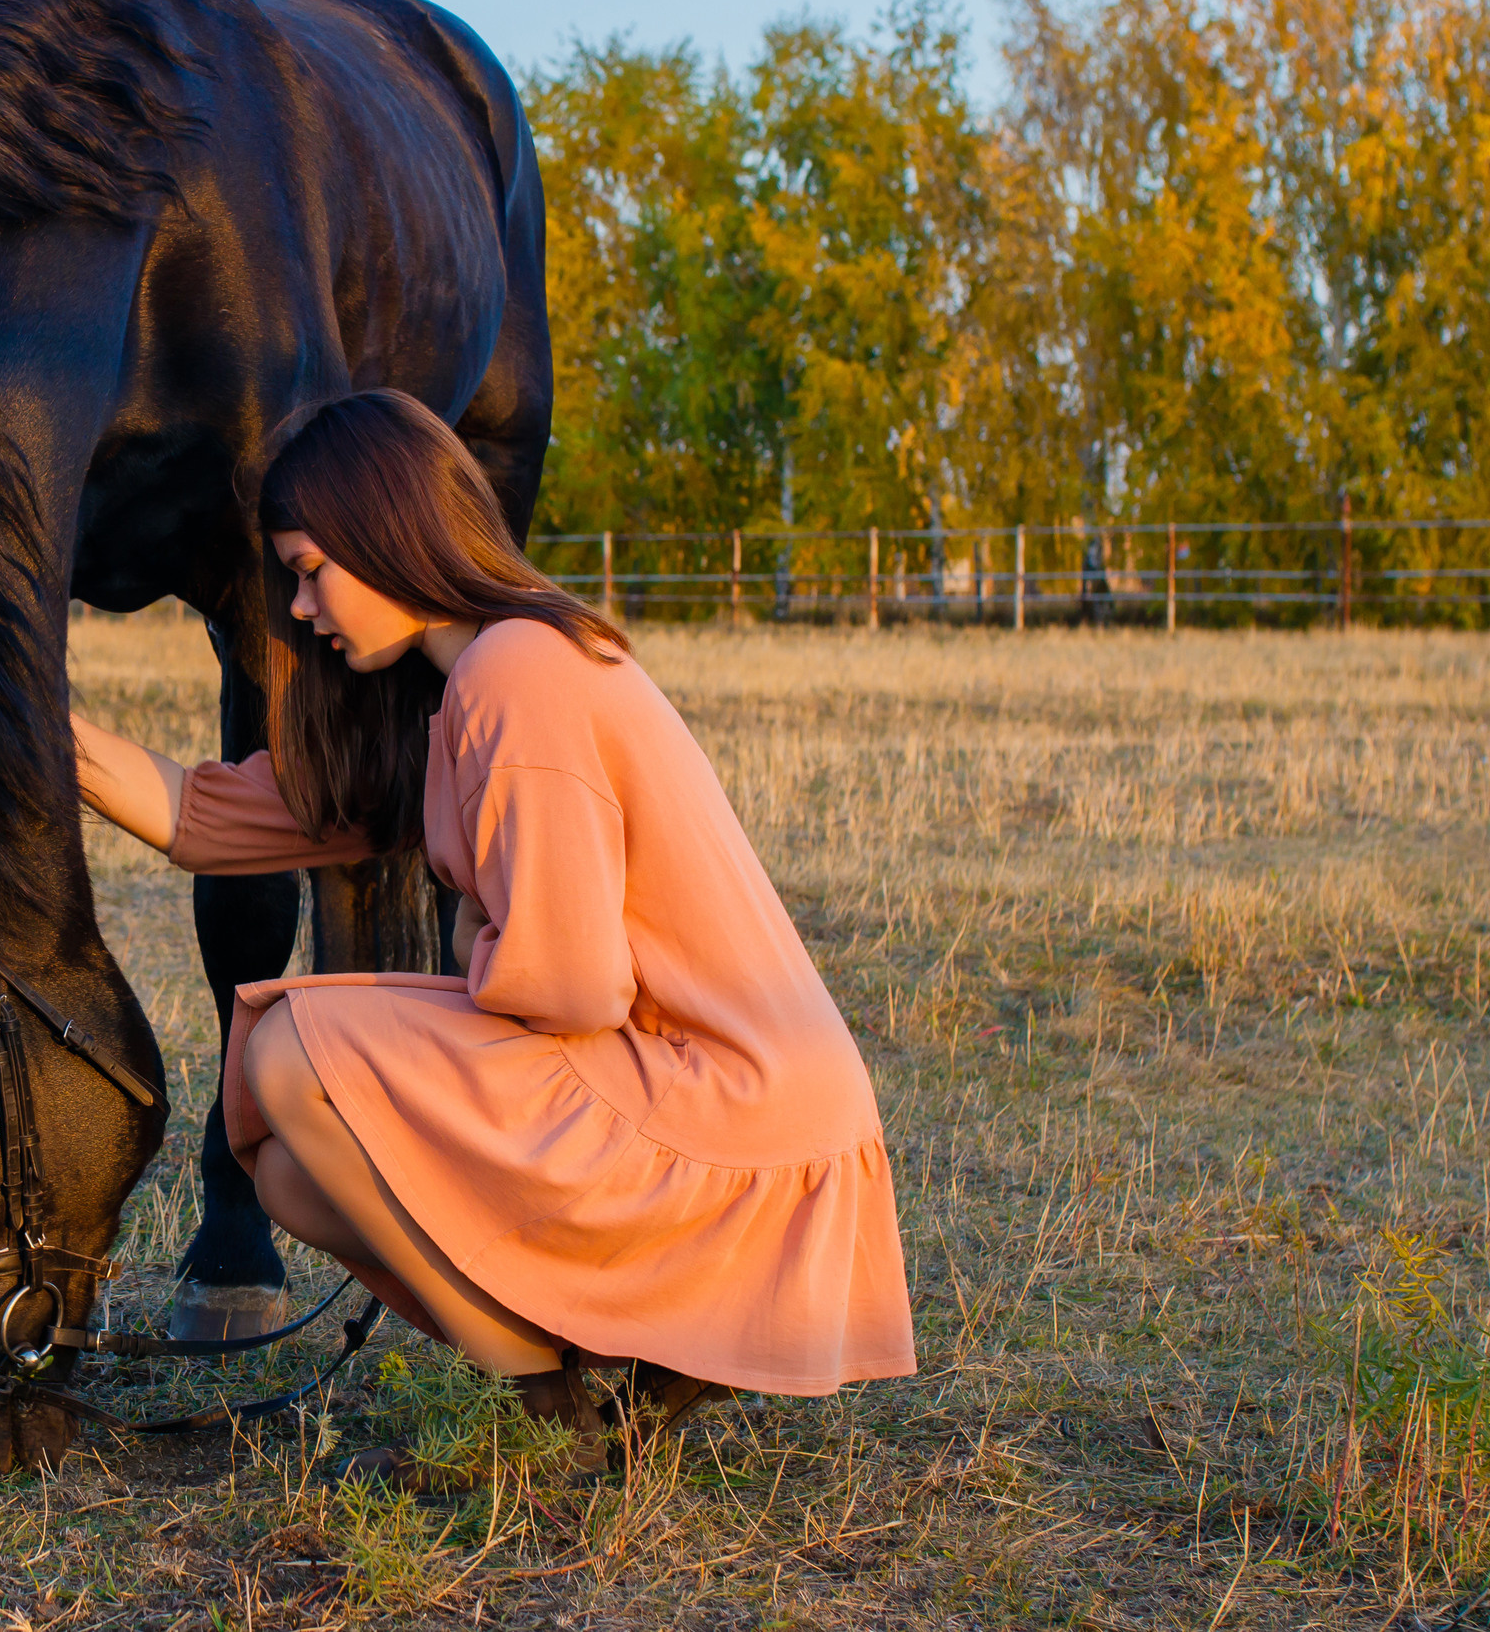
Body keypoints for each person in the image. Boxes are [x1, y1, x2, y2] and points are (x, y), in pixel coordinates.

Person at [71, 390, 914, 1489]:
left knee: (293, 1056)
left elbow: (565, 985)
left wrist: (441, 977)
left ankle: (549, 1405)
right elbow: (198, 815)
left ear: (390, 530)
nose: (302, 604)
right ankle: (589, 1363)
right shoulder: (451, 694)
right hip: (685, 1098)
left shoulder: (518, 675)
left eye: (313, 568)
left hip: (722, 1113)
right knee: (281, 1169)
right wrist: (9, 704)